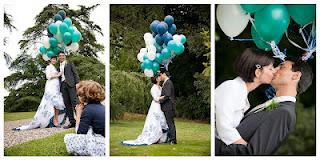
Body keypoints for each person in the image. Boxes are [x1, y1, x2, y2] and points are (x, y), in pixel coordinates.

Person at [216, 57, 313, 155]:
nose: (275, 70)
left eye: (281, 67)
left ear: (296, 76)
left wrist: (214, 144)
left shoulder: (284, 113)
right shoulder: (274, 105)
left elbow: (253, 154)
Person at [215, 48, 278, 146]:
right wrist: (249, 151)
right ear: (258, 72)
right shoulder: (231, 87)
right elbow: (224, 128)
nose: (274, 71)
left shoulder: (241, 92)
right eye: (270, 68)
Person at [13, 56, 65, 131]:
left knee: (57, 103)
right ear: (50, 60)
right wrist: (58, 75)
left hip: (56, 86)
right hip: (51, 86)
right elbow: (48, 76)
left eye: (55, 59)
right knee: (52, 102)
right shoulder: (48, 67)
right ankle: (53, 121)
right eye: (53, 59)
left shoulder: (54, 67)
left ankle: (56, 120)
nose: (54, 60)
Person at [122, 76, 169, 146]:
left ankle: (159, 138)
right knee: (155, 121)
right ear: (156, 79)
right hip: (156, 106)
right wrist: (165, 97)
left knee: (161, 121)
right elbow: (156, 98)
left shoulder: (160, 87)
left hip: (160, 106)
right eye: (158, 77)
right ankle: (154, 138)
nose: (160, 77)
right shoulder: (153, 88)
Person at [64, 80, 105, 156]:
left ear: (84, 96)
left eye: (79, 95)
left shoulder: (88, 110)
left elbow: (80, 133)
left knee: (68, 138)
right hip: (104, 138)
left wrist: (78, 113)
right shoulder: (102, 107)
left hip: (101, 143)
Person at [58, 52, 80, 129]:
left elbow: (75, 73)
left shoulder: (69, 63)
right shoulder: (58, 66)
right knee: (67, 104)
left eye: (63, 55)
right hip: (63, 85)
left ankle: (80, 121)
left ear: (65, 56)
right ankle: (72, 122)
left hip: (71, 84)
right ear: (58, 57)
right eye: (60, 56)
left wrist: (77, 83)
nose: (61, 57)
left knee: (74, 102)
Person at [159, 68, 177, 144]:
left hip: (168, 106)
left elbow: (168, 94)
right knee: (169, 123)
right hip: (168, 106)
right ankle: (171, 138)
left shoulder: (168, 83)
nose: (160, 76)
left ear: (164, 74)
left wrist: (160, 100)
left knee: (170, 123)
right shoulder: (167, 82)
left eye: (161, 75)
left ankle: (173, 140)